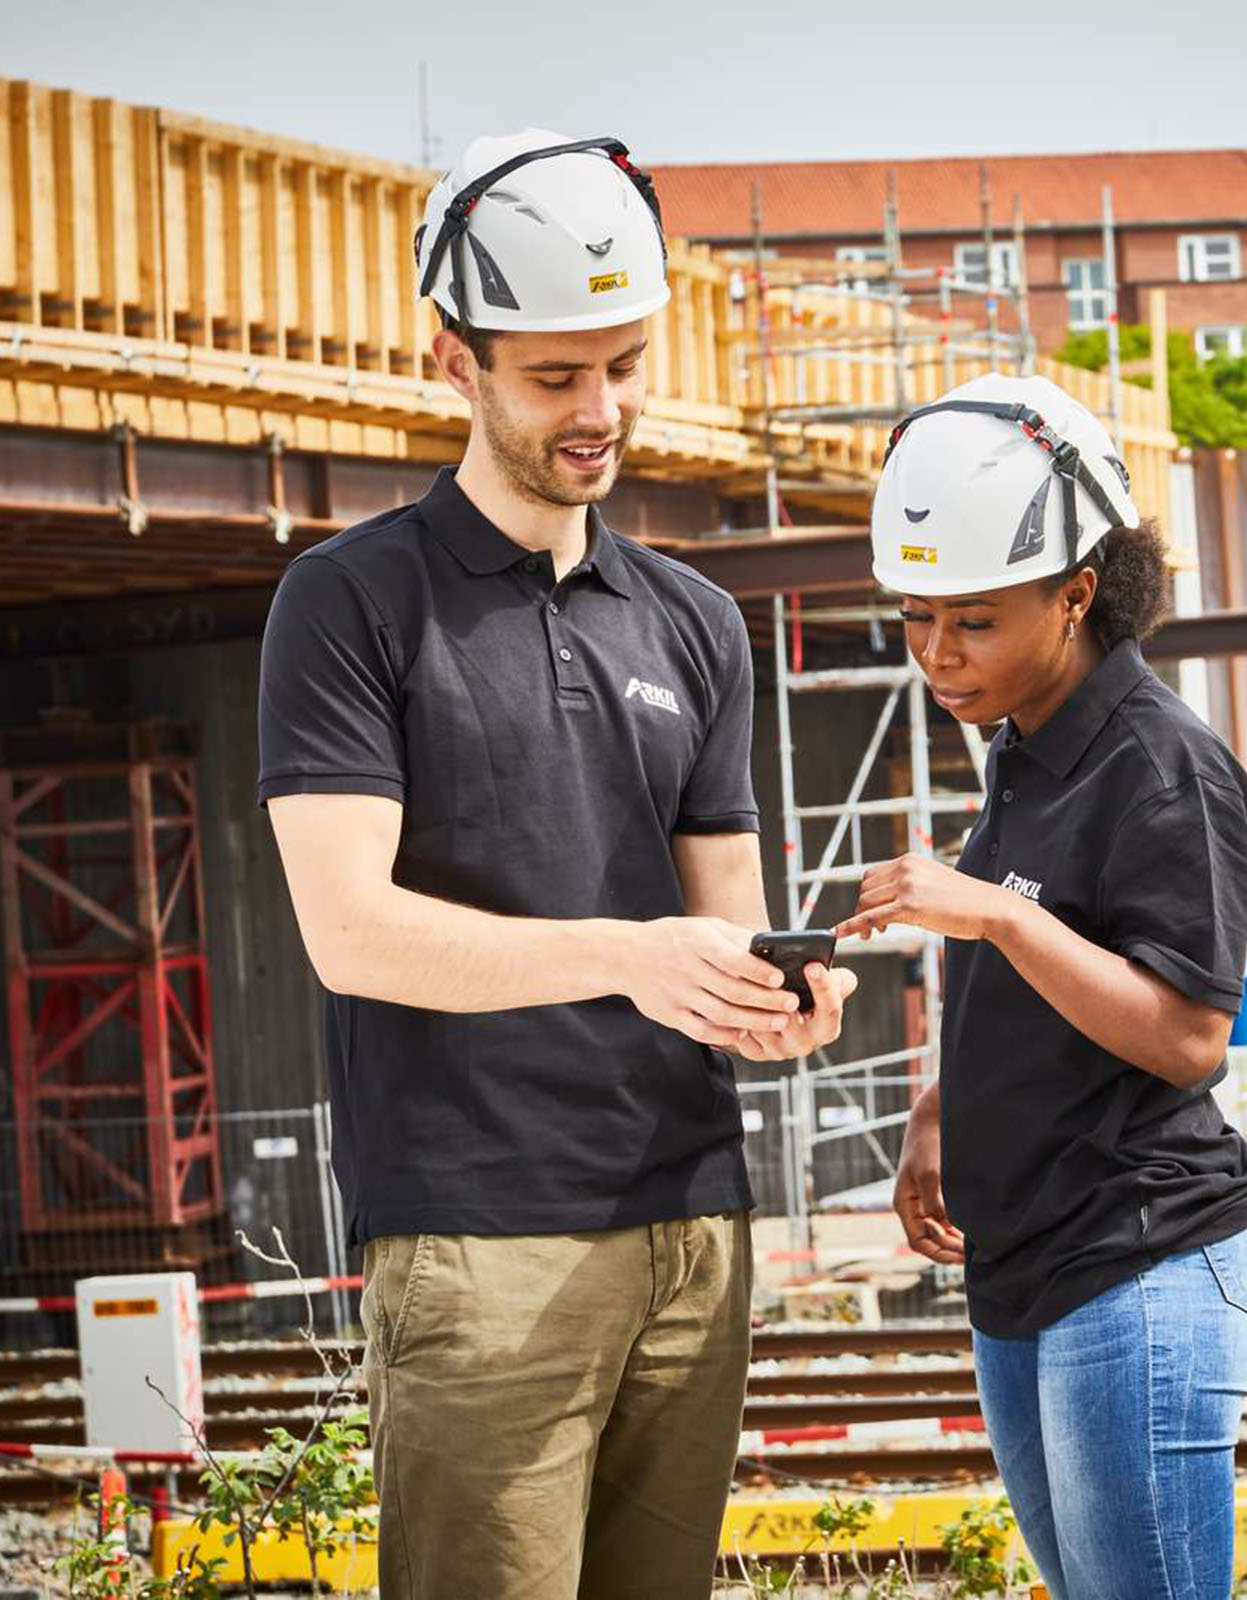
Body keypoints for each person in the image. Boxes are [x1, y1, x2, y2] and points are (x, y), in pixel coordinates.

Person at [257, 128, 854, 1600]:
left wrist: (781, 1000)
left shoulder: (695, 621)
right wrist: (628, 955)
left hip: (693, 1228)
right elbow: (352, 934)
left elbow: (726, 925)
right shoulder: (348, 606)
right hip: (478, 1237)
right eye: (556, 376)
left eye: (627, 364)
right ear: (455, 362)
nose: (604, 410)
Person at [837, 373, 1247, 1600]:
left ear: (1077, 591)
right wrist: (941, 1107)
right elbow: (1044, 982)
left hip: (1138, 1263)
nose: (934, 652)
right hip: (1028, 1264)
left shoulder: (1163, 767)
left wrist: (990, 911)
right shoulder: (1027, 743)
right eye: (915, 616)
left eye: (971, 619)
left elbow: (1188, 1037)